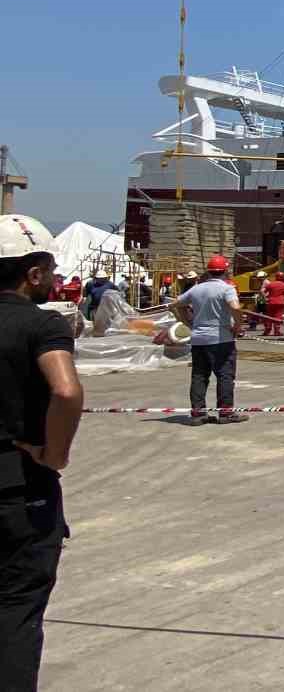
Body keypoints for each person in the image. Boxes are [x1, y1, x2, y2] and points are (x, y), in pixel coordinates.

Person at [0, 215, 83, 690]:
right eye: (50, 270)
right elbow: (66, 392)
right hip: (17, 489)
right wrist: (54, 455)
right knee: (15, 613)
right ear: (33, 274)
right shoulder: (40, 324)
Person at [171, 254, 248, 426]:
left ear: (209, 271)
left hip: (198, 340)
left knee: (199, 376)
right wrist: (238, 326)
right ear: (225, 271)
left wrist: (187, 322)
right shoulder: (227, 288)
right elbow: (235, 307)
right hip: (221, 340)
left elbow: (176, 304)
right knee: (225, 376)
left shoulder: (197, 288)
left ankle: (198, 414)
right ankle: (226, 412)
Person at [260, 271, 284, 337]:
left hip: (271, 302)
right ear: (283, 277)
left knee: (269, 316)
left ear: (276, 277)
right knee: (278, 316)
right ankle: (277, 331)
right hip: (281, 302)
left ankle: (267, 331)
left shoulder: (271, 284)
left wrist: (265, 298)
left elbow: (262, 291)